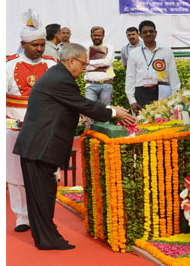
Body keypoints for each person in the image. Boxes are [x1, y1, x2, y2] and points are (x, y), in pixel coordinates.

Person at [13, 43, 135, 250]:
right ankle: (48, 240)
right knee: (43, 194)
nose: (85, 68)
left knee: (39, 194)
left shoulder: (57, 74)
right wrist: (113, 112)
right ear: (71, 61)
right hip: (40, 146)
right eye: (84, 63)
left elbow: (70, 105)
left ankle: (42, 235)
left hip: (35, 145)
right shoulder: (61, 79)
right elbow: (84, 104)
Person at [6, 8, 58, 232]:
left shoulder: (51, 65)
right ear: (23, 43)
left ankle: (43, 212)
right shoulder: (8, 65)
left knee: (46, 171)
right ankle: (22, 216)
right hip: (14, 126)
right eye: (34, 45)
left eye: (41, 45)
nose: (38, 49)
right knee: (16, 172)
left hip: (45, 127)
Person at [125, 20, 181, 114]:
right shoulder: (134, 53)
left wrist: (176, 96)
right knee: (142, 123)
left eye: (151, 31)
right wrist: (132, 100)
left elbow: (173, 74)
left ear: (156, 33)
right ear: (140, 35)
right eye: (145, 32)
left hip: (162, 92)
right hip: (141, 92)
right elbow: (130, 77)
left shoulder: (166, 51)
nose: (148, 34)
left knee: (163, 122)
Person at [83, 26, 115, 123]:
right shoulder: (86, 50)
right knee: (88, 112)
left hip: (106, 84)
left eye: (99, 35)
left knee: (106, 111)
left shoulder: (110, 47)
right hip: (90, 84)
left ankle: (105, 136)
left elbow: (108, 62)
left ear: (103, 36)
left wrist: (91, 63)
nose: (96, 37)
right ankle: (89, 135)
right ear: (91, 36)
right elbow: (85, 67)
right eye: (94, 35)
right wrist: (101, 64)